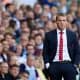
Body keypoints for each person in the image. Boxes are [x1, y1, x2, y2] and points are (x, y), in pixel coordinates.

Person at [43, 14, 80, 80]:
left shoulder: (72, 35)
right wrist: (48, 65)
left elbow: (77, 51)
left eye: (64, 20)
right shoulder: (49, 35)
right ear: (56, 22)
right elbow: (45, 52)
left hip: (69, 64)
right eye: (60, 20)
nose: (62, 22)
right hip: (54, 64)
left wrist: (75, 64)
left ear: (66, 22)